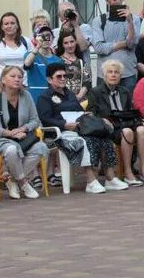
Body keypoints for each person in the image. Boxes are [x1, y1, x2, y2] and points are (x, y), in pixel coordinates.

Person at [37, 63, 124, 194]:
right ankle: (90, 180)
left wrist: (89, 116)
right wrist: (63, 124)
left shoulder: (70, 94)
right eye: (58, 76)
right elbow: (45, 118)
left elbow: (79, 111)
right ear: (49, 79)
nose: (63, 79)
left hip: (77, 128)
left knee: (103, 136)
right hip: (57, 133)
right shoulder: (45, 97)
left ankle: (110, 178)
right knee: (86, 140)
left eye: (65, 76)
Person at [0, 65, 48, 200]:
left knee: (41, 147)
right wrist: (9, 133)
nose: (17, 79)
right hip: (2, 139)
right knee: (11, 150)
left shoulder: (26, 95)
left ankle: (12, 179)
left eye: (20, 77)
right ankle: (23, 182)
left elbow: (35, 120)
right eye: (13, 76)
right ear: (3, 80)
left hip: (23, 138)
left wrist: (23, 129)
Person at [87, 59, 144, 186]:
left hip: (125, 124)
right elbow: (91, 113)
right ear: (104, 75)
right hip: (109, 129)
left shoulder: (125, 91)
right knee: (127, 132)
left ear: (120, 76)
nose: (113, 75)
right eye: (110, 72)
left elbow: (129, 111)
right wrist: (103, 120)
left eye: (116, 72)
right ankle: (128, 173)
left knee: (142, 129)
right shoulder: (95, 92)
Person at [91, 0, 141, 94]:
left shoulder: (135, 19)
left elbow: (133, 43)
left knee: (127, 107)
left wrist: (129, 22)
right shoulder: (99, 20)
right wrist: (123, 44)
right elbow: (99, 48)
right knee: (103, 106)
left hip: (127, 73)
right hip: (104, 74)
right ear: (107, 1)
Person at [23, 25, 62, 103]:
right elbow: (26, 64)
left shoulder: (58, 60)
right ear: (35, 39)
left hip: (51, 98)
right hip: (35, 98)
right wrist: (38, 46)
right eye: (42, 36)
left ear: (53, 38)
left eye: (48, 35)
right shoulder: (31, 55)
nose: (46, 38)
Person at [57, 30, 91, 101]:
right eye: (66, 43)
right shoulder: (58, 61)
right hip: (62, 100)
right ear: (62, 45)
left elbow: (87, 82)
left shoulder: (81, 62)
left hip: (80, 101)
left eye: (72, 42)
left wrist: (79, 96)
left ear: (76, 42)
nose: (70, 45)